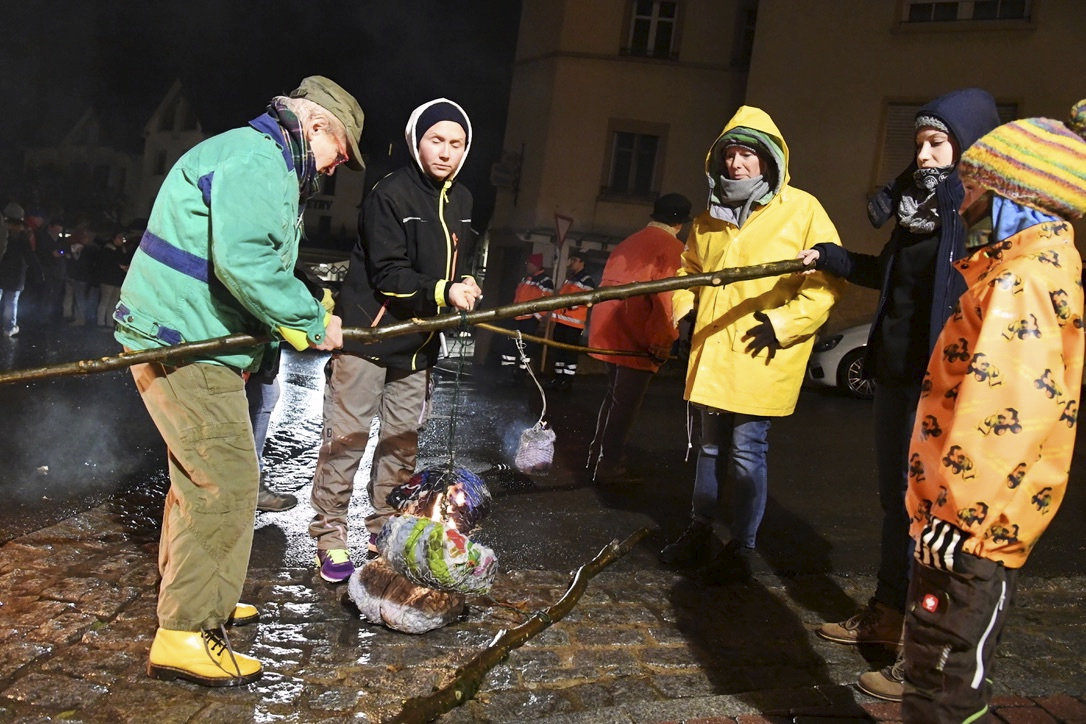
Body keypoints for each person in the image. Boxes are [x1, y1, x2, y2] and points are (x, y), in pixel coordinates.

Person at [113, 75, 363, 687]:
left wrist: (276, 331)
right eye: (340, 153)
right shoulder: (259, 160)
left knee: (198, 480)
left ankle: (201, 599)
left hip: (186, 338)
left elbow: (249, 263)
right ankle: (185, 632)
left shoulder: (259, 156)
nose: (335, 168)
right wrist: (312, 320)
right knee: (225, 480)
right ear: (317, 127)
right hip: (184, 344)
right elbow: (245, 260)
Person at [798, 88, 1002, 700]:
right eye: (919, 144)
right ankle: (889, 612)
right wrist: (832, 258)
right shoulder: (914, 216)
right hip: (893, 371)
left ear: (967, 149)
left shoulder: (978, 218)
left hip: (944, 382)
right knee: (897, 502)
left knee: (934, 515)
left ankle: (923, 643)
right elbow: (888, 276)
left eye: (937, 143)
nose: (924, 155)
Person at [898, 101, 1085, 722]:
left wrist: (956, 515)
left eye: (976, 187)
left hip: (967, 525)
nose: (964, 202)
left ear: (1017, 199)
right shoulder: (1028, 271)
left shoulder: (1020, 281)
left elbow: (1005, 407)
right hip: (971, 518)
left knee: (941, 676)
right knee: (948, 669)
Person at [658, 106, 843, 584]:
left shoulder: (802, 210)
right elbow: (688, 271)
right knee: (708, 449)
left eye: (747, 155)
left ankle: (741, 547)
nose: (736, 164)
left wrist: (781, 325)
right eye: (730, 154)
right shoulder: (709, 218)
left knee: (746, 451)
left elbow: (825, 284)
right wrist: (685, 311)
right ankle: (700, 529)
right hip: (712, 350)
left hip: (761, 353)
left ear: (769, 159)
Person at [308, 98, 481, 584]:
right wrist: (444, 291)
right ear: (416, 141)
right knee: (346, 441)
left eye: (456, 143)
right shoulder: (389, 193)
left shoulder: (464, 200)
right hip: (369, 336)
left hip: (419, 346)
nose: (445, 152)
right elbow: (388, 274)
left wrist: (466, 282)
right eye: (436, 140)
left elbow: (459, 260)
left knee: (401, 446)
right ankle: (329, 534)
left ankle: (384, 529)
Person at [586, 192, 691, 483]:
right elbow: (666, 300)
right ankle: (609, 465)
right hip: (637, 332)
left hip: (609, 330)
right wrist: (663, 341)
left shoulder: (629, 241)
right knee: (625, 405)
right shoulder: (672, 248)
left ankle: (598, 456)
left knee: (614, 398)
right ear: (680, 223)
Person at [500, 253, 553, 381]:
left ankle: (521, 375)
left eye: (528, 263)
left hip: (529, 321)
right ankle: (507, 373)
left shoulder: (545, 281)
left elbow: (546, 301)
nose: (527, 266)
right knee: (510, 346)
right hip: (516, 318)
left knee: (525, 349)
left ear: (535, 265)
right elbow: (518, 297)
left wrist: (537, 317)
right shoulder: (526, 278)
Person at [548, 249, 596, 390]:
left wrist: (571, 305)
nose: (571, 263)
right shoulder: (570, 278)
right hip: (561, 322)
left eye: (574, 260)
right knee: (559, 352)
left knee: (570, 353)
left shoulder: (587, 281)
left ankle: (567, 381)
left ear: (582, 262)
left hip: (573, 324)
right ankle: (558, 379)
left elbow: (588, 299)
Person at [0, 203, 43, 337]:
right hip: (16, 275)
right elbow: (30, 255)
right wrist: (39, 273)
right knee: (11, 302)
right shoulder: (22, 236)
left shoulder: (2, 233)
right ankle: (9, 328)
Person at [95, 230, 132, 327]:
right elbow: (108, 263)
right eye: (119, 238)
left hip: (118, 280)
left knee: (113, 302)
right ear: (114, 238)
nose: (122, 240)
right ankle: (100, 322)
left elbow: (125, 260)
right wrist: (120, 266)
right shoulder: (108, 248)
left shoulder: (122, 249)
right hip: (108, 279)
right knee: (105, 301)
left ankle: (110, 322)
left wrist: (125, 267)